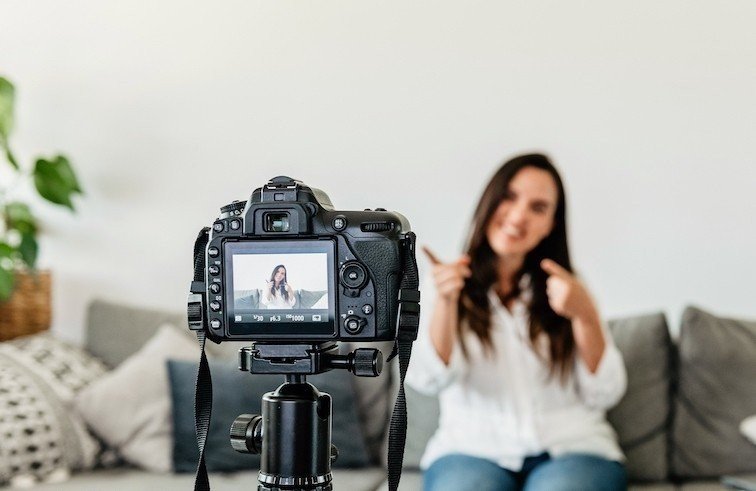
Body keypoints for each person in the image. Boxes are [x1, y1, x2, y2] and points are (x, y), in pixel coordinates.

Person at [407, 153, 628, 491]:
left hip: (573, 449)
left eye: (538, 208)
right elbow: (429, 378)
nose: (518, 215)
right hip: (471, 450)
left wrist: (585, 315)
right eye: (509, 198)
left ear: (551, 224)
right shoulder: (446, 284)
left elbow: (605, 391)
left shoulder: (572, 287)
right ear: (489, 201)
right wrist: (448, 303)